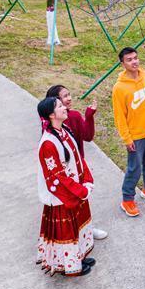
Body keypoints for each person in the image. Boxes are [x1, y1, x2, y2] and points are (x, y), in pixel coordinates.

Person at [36, 97, 96, 277]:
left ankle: (79, 255)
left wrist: (86, 180)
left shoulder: (64, 131)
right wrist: (79, 191)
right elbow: (56, 177)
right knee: (67, 231)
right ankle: (67, 265)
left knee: (79, 224)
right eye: (60, 106)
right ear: (52, 115)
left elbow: (78, 157)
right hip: (64, 196)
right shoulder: (48, 143)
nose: (64, 107)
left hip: (76, 189)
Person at [45, 85, 108, 240]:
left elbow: (87, 136)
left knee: (82, 202)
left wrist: (89, 116)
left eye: (69, 94)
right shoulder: (50, 128)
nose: (69, 99)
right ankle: (70, 235)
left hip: (78, 167)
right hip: (65, 172)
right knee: (67, 205)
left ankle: (86, 229)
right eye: (64, 97)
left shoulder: (74, 116)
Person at [112, 47, 145, 217]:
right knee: (134, 168)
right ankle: (127, 199)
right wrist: (127, 139)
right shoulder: (119, 88)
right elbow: (119, 117)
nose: (134, 61)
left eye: (135, 58)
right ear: (122, 63)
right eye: (129, 59)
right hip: (135, 136)